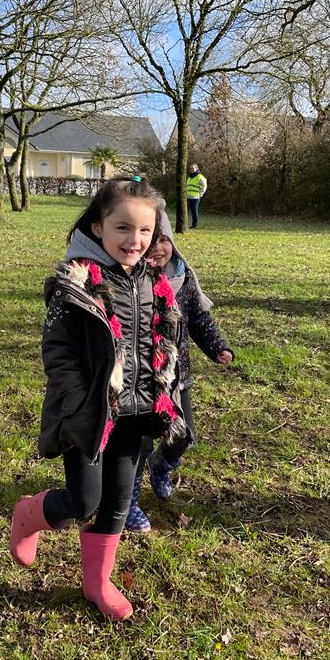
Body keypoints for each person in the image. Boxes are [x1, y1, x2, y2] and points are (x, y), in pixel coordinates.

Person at [9, 177, 189, 621]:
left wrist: (168, 394)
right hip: (91, 414)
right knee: (84, 501)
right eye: (122, 227)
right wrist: (76, 400)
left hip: (138, 414)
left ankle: (97, 583)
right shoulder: (76, 282)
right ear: (97, 227)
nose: (135, 240)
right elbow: (58, 350)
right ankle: (30, 513)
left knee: (117, 505)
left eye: (145, 230)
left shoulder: (155, 282)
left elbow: (167, 342)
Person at [126, 210, 233, 532]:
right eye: (151, 242)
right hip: (142, 379)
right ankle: (128, 500)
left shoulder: (183, 278)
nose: (157, 248)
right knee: (138, 443)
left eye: (163, 240)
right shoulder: (132, 280)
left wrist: (218, 347)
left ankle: (160, 465)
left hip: (177, 377)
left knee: (183, 435)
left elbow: (199, 320)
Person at [185, 163, 207, 229]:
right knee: (189, 211)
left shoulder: (199, 176)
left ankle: (194, 225)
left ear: (197, 168)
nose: (191, 169)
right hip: (188, 196)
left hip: (195, 197)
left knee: (194, 211)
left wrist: (201, 193)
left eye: (193, 168)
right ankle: (188, 224)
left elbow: (204, 185)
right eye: (190, 168)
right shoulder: (190, 177)